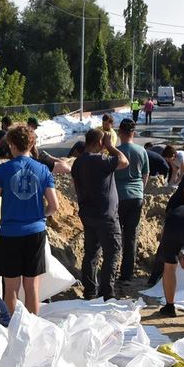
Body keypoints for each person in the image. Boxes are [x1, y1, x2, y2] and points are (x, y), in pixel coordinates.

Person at [0, 125, 59, 316]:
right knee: (32, 287)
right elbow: (54, 206)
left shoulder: (3, 169)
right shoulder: (43, 169)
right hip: (35, 232)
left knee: (10, 288)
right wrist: (41, 215)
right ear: (32, 143)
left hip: (10, 233)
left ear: (11, 144)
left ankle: (11, 327)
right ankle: (32, 329)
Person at [72, 128, 127, 300]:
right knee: (112, 252)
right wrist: (111, 147)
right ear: (99, 143)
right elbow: (124, 161)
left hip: (88, 213)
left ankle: (90, 291)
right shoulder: (100, 160)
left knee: (91, 253)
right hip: (106, 215)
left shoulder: (78, 162)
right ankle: (107, 292)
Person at [114, 120, 149, 282]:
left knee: (115, 235)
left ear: (120, 133)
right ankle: (126, 275)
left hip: (119, 197)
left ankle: (111, 271)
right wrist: (140, 190)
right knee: (131, 236)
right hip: (136, 197)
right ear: (133, 133)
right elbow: (145, 175)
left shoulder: (116, 152)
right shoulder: (142, 151)